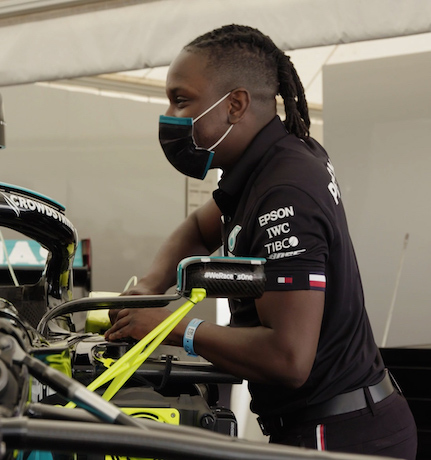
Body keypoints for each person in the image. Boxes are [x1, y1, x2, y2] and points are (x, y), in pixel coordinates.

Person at [104, 24, 417, 458]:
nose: (170, 115)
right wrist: (148, 288)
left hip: (340, 436)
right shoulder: (264, 166)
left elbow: (288, 358)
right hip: (330, 424)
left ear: (235, 104)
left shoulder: (284, 191)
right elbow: (198, 228)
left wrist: (171, 329)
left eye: (181, 99)